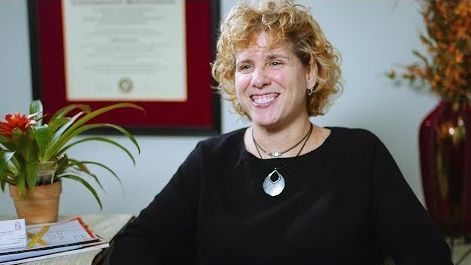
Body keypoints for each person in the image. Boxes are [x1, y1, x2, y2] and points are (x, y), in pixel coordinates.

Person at [110, 1, 453, 264]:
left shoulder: (362, 154)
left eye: (275, 61)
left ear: (311, 74)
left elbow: (427, 255)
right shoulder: (209, 160)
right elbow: (135, 244)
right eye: (245, 66)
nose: (258, 78)